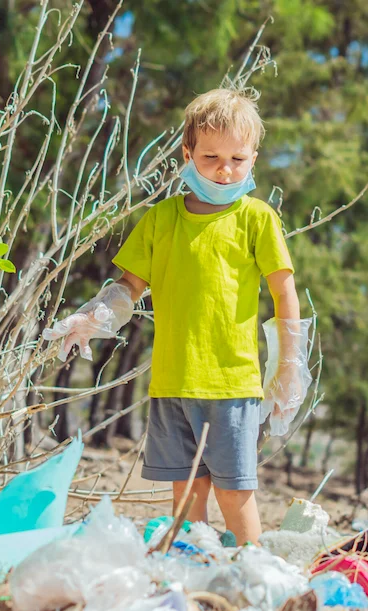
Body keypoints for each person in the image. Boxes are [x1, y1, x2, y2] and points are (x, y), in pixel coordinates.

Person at [43, 87, 313, 545]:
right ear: (187, 154)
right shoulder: (160, 220)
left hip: (231, 384)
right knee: (186, 494)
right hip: (171, 382)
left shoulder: (257, 219)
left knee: (235, 492)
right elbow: (128, 288)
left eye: (237, 159)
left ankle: (252, 570)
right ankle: (191, 572)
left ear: (254, 158)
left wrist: (289, 363)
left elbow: (283, 292)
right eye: (210, 157)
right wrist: (92, 317)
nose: (225, 170)